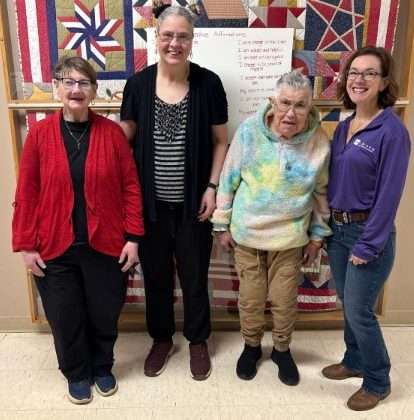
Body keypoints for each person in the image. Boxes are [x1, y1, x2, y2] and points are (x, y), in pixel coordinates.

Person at [12, 56, 144, 404]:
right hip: (54, 247)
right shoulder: (39, 136)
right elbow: (27, 192)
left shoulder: (112, 135)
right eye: (68, 82)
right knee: (64, 315)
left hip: (106, 245)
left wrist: (133, 237)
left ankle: (102, 366)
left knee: (104, 312)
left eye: (84, 83)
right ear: (56, 88)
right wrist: (26, 245)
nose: (76, 89)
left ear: (94, 91)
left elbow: (131, 187)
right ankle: (77, 372)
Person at [120, 4, 228, 381]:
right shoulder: (137, 85)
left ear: (192, 41)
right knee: (156, 277)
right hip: (149, 208)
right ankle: (162, 339)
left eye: (183, 36)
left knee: (195, 276)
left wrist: (212, 187)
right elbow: (124, 140)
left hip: (193, 206)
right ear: (156, 38)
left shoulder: (208, 84)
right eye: (167, 35)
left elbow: (220, 141)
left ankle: (197, 340)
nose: (174, 43)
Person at [211, 71, 331, 386]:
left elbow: (322, 192)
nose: (291, 113)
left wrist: (318, 236)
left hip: (290, 238)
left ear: (310, 107)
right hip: (247, 235)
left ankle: (281, 349)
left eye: (300, 105)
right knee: (251, 298)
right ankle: (251, 346)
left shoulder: (319, 141)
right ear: (272, 102)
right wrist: (221, 225)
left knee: (284, 299)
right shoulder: (249, 131)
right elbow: (228, 179)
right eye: (285, 103)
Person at [322, 46, 411, 411]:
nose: (359, 79)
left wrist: (369, 244)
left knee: (360, 310)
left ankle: (377, 381)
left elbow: (389, 195)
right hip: (339, 231)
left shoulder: (392, 131)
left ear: (384, 82)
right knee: (348, 303)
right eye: (354, 72)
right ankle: (354, 360)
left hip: (367, 235)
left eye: (370, 73)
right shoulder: (344, 126)